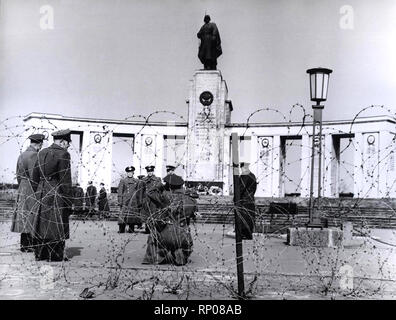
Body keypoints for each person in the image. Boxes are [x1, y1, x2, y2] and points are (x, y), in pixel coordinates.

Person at [31, 129, 73, 261]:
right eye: (68, 143)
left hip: (41, 191)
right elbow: (65, 180)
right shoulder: (63, 154)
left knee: (41, 223)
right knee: (56, 222)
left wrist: (38, 191)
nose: (68, 146)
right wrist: (68, 201)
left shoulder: (41, 152)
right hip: (56, 191)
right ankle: (55, 255)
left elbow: (34, 177)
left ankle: (40, 254)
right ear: (62, 141)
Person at [142, 174, 193, 266]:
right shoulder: (190, 200)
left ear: (168, 186)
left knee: (154, 238)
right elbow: (192, 215)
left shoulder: (164, 197)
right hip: (182, 234)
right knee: (187, 241)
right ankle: (181, 253)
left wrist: (159, 186)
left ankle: (155, 258)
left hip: (165, 232)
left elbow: (149, 193)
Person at [11, 134, 44, 252]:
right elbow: (34, 175)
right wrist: (37, 190)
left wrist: (22, 186)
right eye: (41, 144)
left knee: (23, 217)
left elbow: (17, 174)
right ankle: (30, 245)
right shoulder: (34, 155)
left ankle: (24, 245)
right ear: (39, 144)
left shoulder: (22, 155)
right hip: (31, 188)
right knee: (32, 216)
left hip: (22, 187)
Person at [117, 166, 145, 233]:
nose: (130, 174)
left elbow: (139, 191)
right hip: (125, 200)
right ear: (127, 173)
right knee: (123, 215)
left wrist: (139, 201)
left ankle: (131, 229)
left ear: (133, 173)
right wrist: (120, 201)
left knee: (132, 215)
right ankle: (121, 229)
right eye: (128, 172)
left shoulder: (136, 181)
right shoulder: (123, 181)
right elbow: (120, 191)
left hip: (133, 201)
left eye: (131, 172)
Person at [234, 162, 257, 240]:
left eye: (241, 168)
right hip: (251, 199)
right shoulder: (252, 175)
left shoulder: (245, 175)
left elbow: (241, 187)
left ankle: (243, 234)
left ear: (243, 168)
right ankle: (249, 234)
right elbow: (254, 188)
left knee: (243, 217)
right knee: (250, 217)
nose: (241, 170)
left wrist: (236, 197)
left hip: (244, 200)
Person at [142, 165, 162, 233]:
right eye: (148, 171)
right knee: (146, 214)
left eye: (151, 171)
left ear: (153, 171)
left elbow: (160, 188)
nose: (149, 173)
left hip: (154, 200)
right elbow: (141, 190)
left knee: (154, 213)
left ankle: (153, 228)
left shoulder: (157, 179)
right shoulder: (144, 180)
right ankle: (147, 228)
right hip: (146, 199)